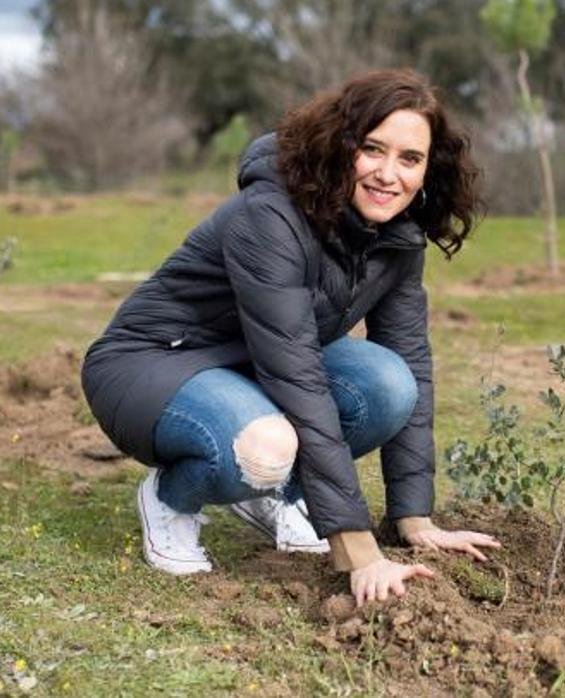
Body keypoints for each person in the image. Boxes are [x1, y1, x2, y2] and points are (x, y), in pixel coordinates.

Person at [81, 69, 499, 607]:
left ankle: (277, 495)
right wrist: (358, 551)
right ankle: (171, 499)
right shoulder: (271, 214)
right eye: (372, 149)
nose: (388, 174)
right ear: (341, 144)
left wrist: (413, 517)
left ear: (428, 168)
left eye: (409, 158)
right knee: (264, 448)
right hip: (155, 361)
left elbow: (409, 357)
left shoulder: (397, 235)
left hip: (251, 364)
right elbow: (297, 374)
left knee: (391, 385)